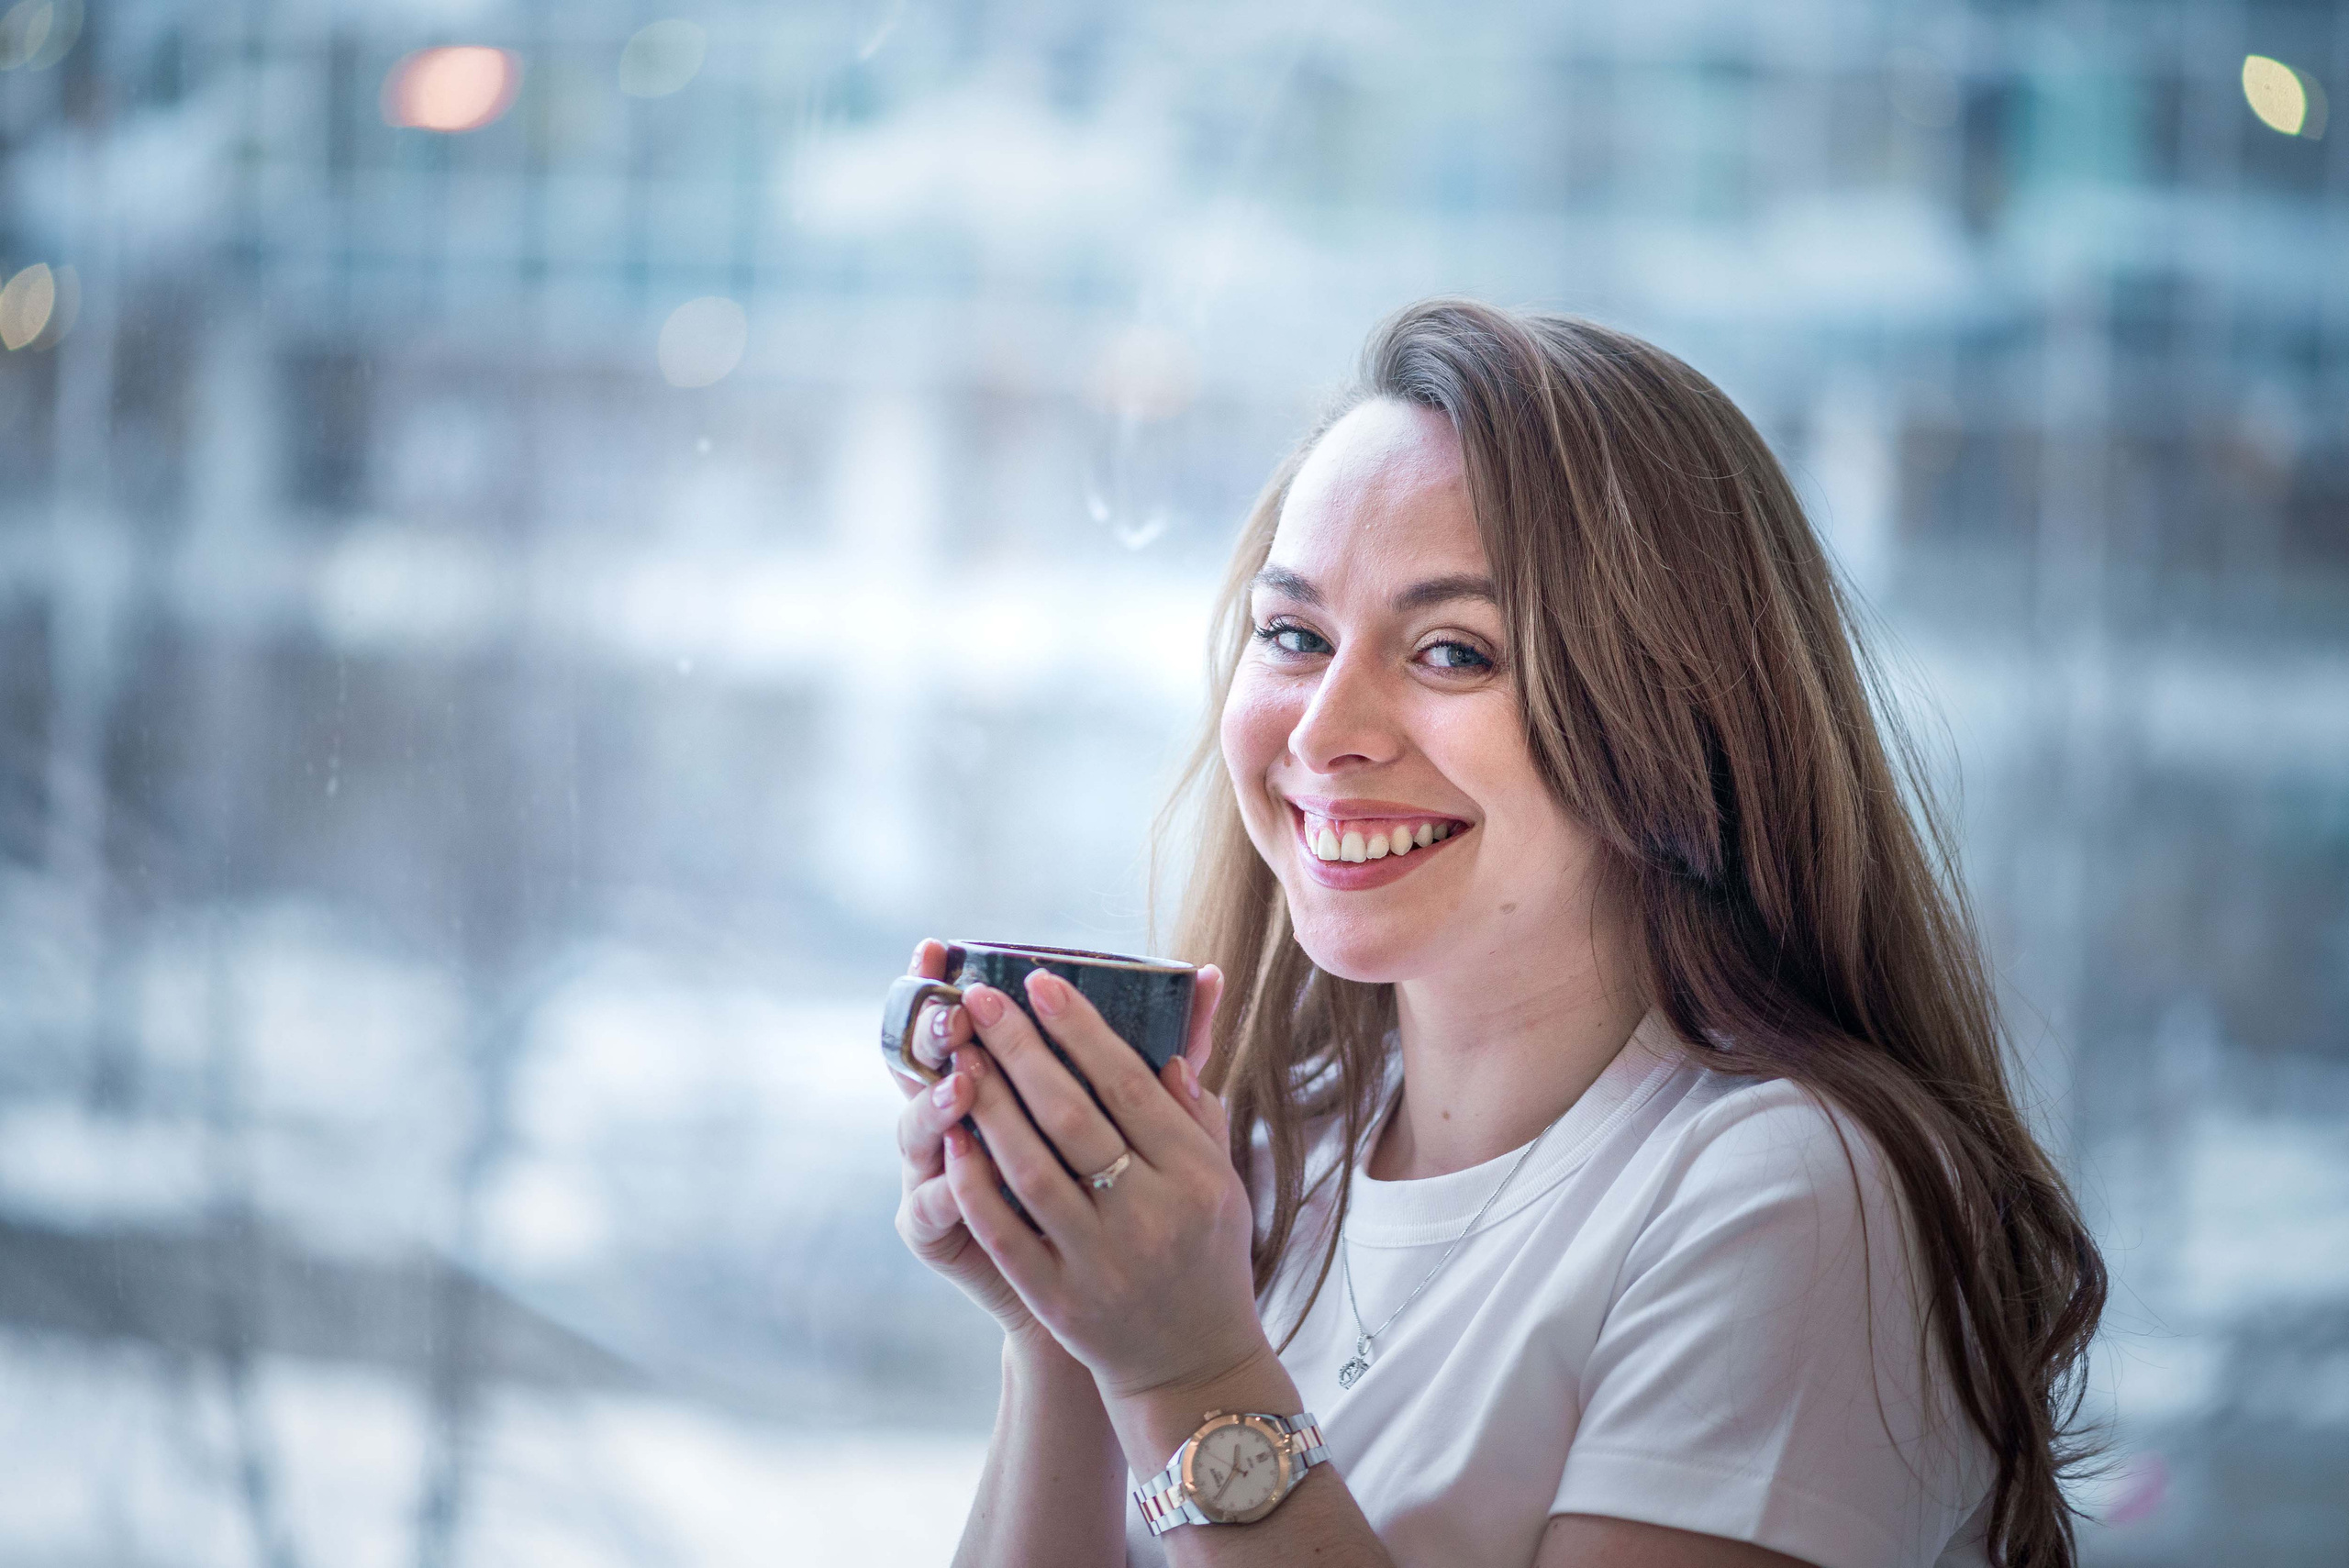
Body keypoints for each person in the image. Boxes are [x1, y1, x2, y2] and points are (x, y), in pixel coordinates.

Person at [886, 299, 2106, 1568]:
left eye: (1454, 651)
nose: (1321, 732)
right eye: (1295, 635)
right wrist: (1065, 1319)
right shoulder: (1250, 1155)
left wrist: (1186, 1367)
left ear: (1669, 716)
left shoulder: (1791, 1199)